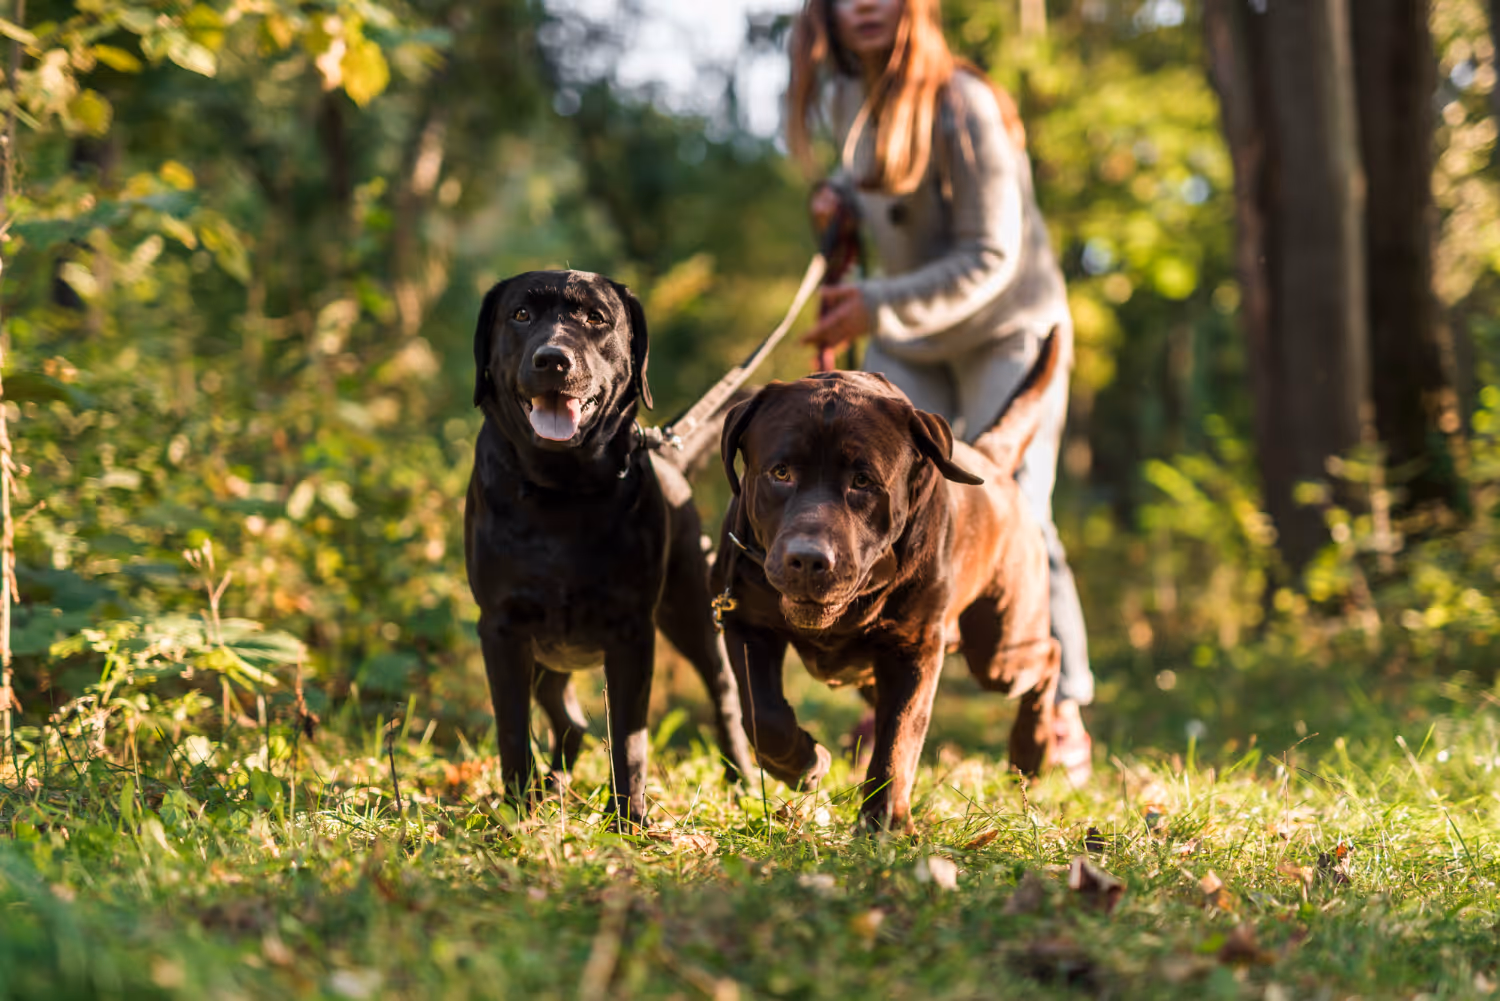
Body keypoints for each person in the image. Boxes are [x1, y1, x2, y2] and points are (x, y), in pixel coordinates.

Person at [786, 0, 1095, 781]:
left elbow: (991, 254)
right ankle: (884, 690)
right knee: (879, 498)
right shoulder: (847, 97)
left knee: (1018, 505)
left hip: (1007, 327)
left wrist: (875, 303)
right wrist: (840, 199)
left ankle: (1062, 706)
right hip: (913, 336)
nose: (864, 4)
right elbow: (886, 189)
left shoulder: (965, 103)